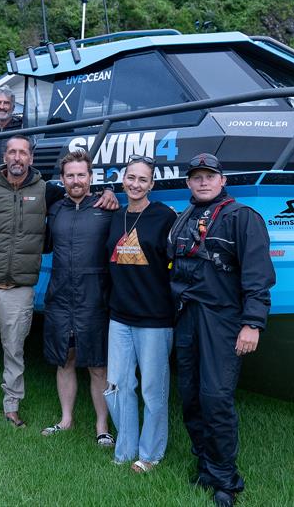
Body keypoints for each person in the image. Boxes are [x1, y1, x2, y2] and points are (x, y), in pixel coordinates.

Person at [0, 135, 118, 425]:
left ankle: (11, 407)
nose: (17, 157)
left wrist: (109, 191)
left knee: (14, 351)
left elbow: (79, 191)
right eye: (12, 152)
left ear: (31, 158)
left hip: (20, 288)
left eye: (23, 152)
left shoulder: (46, 191)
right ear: (5, 157)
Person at [168, 153, 275, 507]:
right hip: (187, 318)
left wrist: (252, 323)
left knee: (216, 398)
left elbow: (258, 276)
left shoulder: (242, 218)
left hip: (223, 321)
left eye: (210, 176)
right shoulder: (183, 218)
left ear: (222, 180)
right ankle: (205, 465)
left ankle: (226, 480)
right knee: (191, 396)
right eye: (197, 176)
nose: (203, 182)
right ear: (188, 182)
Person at [104, 155, 177, 473]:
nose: (136, 184)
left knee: (152, 389)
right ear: (123, 180)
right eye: (131, 178)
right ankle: (125, 448)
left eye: (142, 179)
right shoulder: (116, 216)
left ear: (151, 184)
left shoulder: (164, 216)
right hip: (119, 316)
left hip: (154, 318)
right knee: (119, 385)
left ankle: (150, 454)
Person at [40, 150, 114, 446]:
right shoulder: (55, 209)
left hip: (94, 298)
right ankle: (66, 420)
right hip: (60, 296)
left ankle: (102, 426)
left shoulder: (106, 208)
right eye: (70, 175)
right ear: (62, 179)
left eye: (81, 175)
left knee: (98, 365)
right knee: (65, 359)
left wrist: (110, 191)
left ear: (90, 177)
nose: (76, 180)